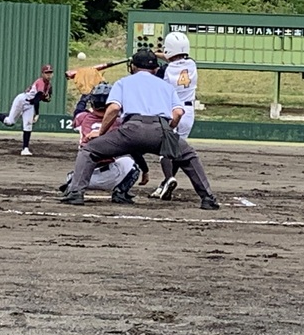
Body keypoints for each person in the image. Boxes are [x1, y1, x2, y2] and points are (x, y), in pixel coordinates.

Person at [60, 50, 220, 210]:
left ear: (133, 67)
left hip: (130, 130)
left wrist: (101, 132)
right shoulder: (166, 86)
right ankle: (208, 199)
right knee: (189, 156)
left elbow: (114, 108)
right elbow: (178, 112)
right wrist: (169, 131)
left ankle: (75, 193)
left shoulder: (123, 82)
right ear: (156, 69)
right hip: (161, 130)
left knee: (89, 151)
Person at [58, 82, 149, 204]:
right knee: (130, 162)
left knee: (77, 167)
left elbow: (78, 112)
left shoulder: (82, 118)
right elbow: (134, 150)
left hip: (81, 177)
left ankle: (74, 190)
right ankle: (120, 193)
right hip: (110, 175)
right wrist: (145, 170)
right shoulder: (119, 122)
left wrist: (83, 99)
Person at [151, 31, 199, 200]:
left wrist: (147, 58)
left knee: (166, 151)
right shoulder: (192, 64)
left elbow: (154, 73)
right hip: (189, 113)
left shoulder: (164, 71)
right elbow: (174, 58)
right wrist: (157, 54)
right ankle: (165, 183)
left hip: (172, 112)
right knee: (176, 150)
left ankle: (168, 178)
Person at [0, 64, 54, 156]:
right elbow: (37, 99)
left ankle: (25, 149)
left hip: (30, 105)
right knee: (9, 122)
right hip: (22, 100)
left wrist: (45, 99)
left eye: (50, 72)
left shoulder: (48, 85)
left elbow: (41, 98)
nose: (48, 74)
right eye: (46, 72)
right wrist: (37, 113)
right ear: (42, 73)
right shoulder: (40, 82)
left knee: (28, 125)